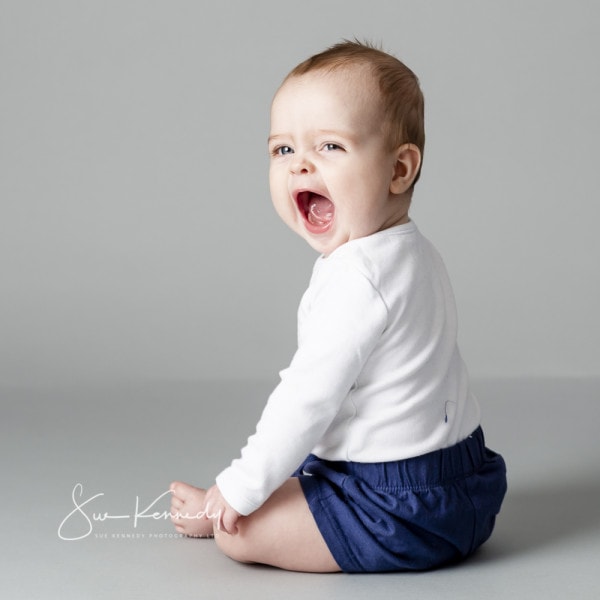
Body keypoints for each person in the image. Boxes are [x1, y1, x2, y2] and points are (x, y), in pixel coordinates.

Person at [170, 40, 507, 573]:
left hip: (392, 506)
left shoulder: (357, 276)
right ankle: (268, 492)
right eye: (283, 150)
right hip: (468, 483)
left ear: (399, 170)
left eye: (329, 147)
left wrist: (234, 493)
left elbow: (305, 402)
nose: (300, 166)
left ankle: (229, 504)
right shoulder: (415, 251)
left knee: (241, 533)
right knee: (298, 471)